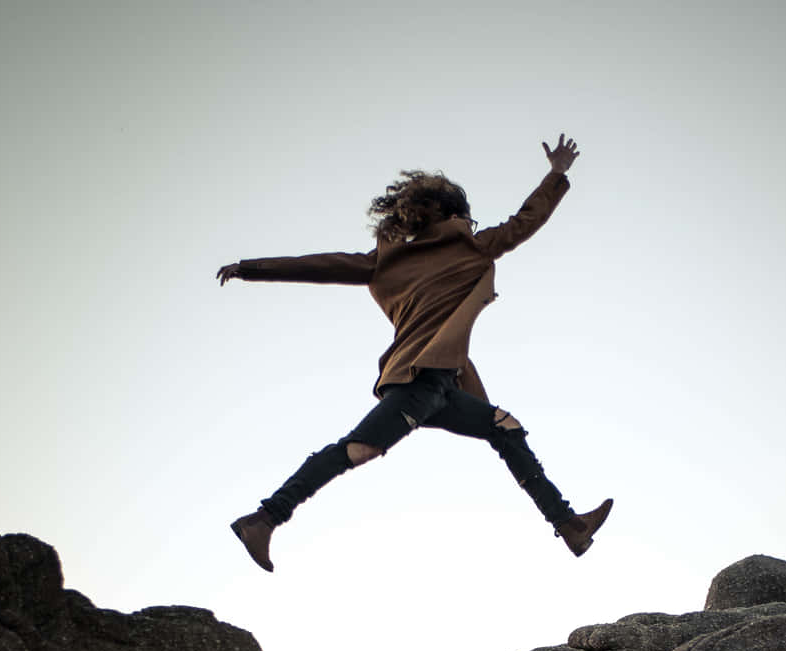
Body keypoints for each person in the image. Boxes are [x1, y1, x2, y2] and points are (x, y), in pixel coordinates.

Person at [218, 134, 612, 572]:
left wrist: (250, 268)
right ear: (451, 213)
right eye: (464, 213)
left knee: (504, 427)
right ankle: (266, 518)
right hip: (417, 380)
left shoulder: (388, 260)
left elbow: (318, 263)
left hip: (443, 383)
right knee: (359, 448)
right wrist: (556, 174)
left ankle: (569, 525)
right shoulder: (466, 247)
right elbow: (525, 221)